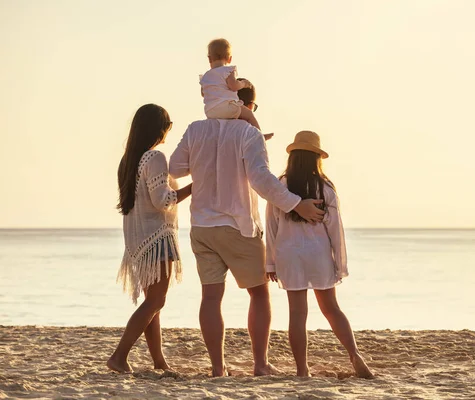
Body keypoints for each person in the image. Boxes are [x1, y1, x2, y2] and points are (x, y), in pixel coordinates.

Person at [169, 83, 325, 377]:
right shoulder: (248, 133)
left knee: (211, 297)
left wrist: (206, 159)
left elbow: (175, 169)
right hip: (238, 226)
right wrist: (296, 204)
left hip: (202, 226)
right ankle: (260, 364)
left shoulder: (195, 129)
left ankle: (218, 368)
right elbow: (261, 180)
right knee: (259, 295)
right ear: (248, 107)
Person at [265, 131, 374, 379]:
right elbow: (336, 229)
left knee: (297, 313)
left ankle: (302, 370)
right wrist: (340, 264)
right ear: (316, 158)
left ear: (293, 158)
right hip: (318, 254)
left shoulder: (281, 187)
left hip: (289, 254)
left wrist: (269, 262)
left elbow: (271, 226)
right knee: (331, 308)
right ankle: (354, 355)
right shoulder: (325, 188)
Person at [107, 104, 192, 373]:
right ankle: (119, 356)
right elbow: (162, 200)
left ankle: (159, 361)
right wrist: (195, 186)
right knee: (156, 301)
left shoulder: (129, 160)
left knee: (152, 303)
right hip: (156, 238)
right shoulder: (155, 157)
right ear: (160, 129)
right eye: (168, 126)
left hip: (138, 240)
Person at [199, 38, 262, 130]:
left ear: (209, 59)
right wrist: (244, 84)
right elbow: (234, 86)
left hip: (210, 111)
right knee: (249, 114)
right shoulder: (228, 71)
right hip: (226, 108)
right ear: (229, 59)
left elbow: (203, 93)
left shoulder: (206, 77)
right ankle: (259, 135)